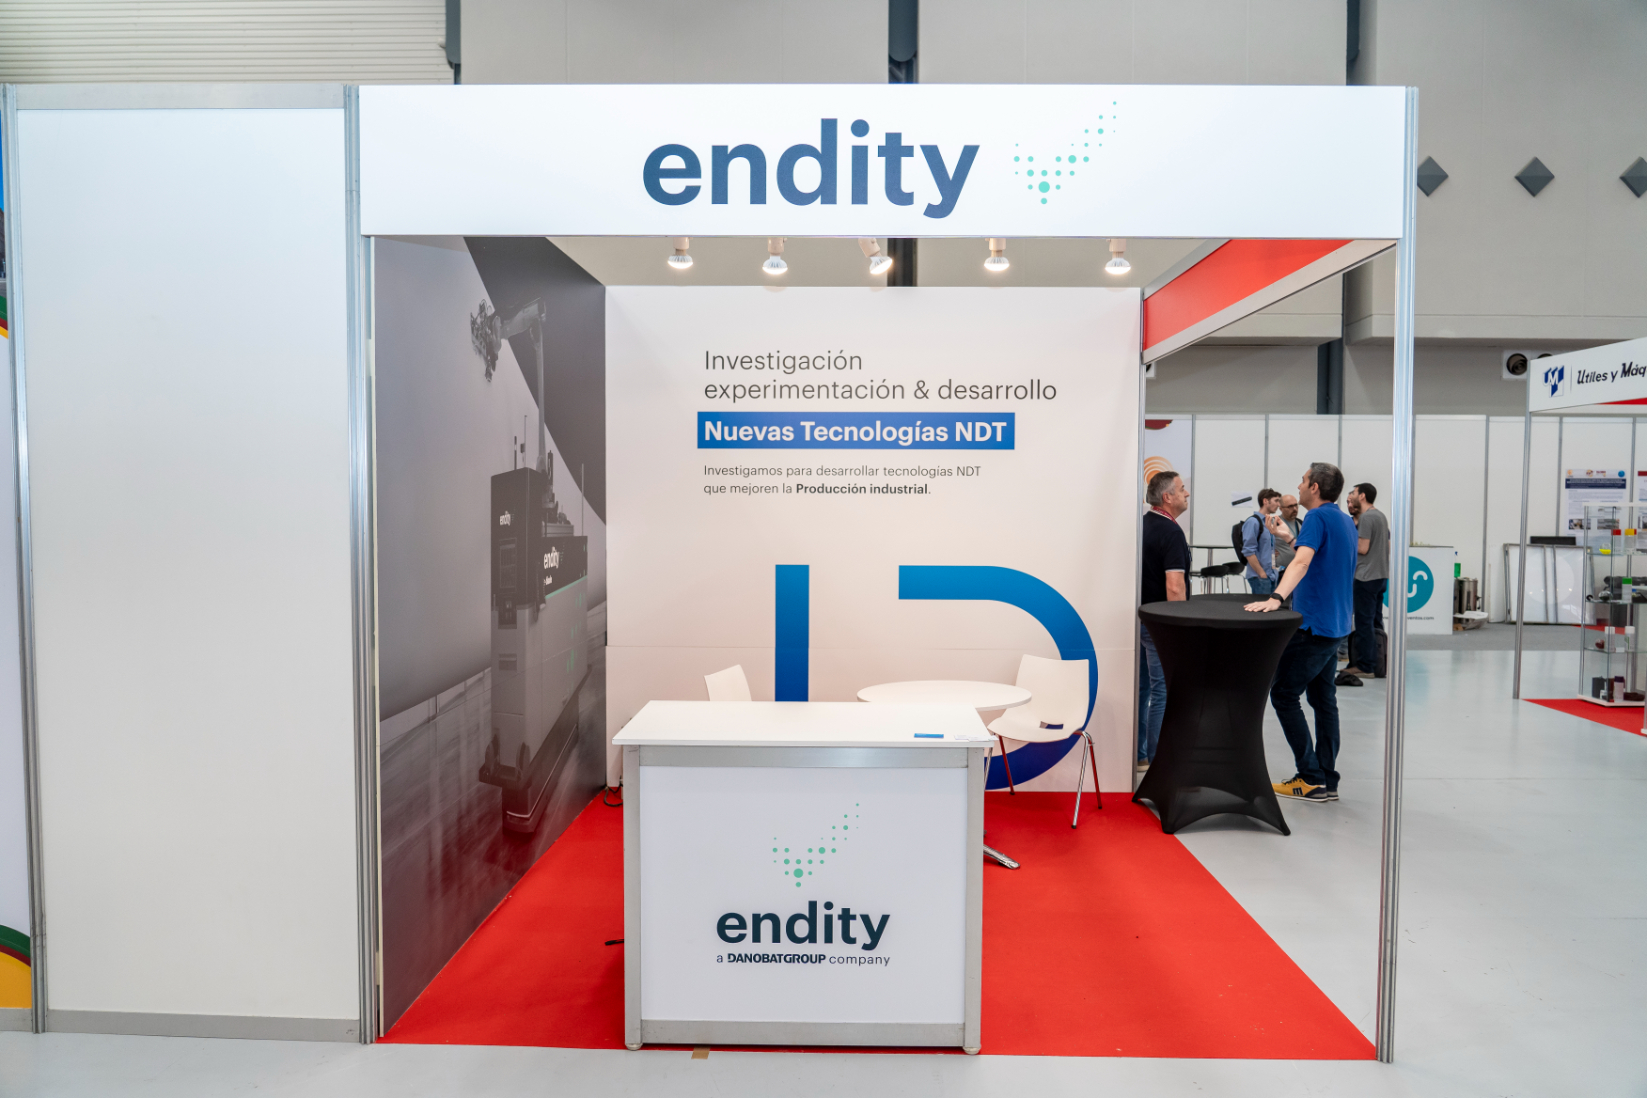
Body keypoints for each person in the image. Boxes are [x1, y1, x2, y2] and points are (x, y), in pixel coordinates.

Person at [1244, 462, 1357, 803]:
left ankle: (1310, 778)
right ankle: (1327, 779)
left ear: (1315, 488)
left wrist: (1276, 597)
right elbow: (1316, 556)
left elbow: (1303, 562)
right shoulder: (1342, 520)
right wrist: (1288, 538)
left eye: (1303, 481)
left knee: (1283, 694)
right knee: (1323, 701)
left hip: (1314, 626)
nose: (1299, 486)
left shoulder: (1317, 517)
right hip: (1336, 624)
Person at [1139, 470, 1191, 770]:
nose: (1187, 494)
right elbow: (1175, 586)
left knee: (1143, 688)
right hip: (1162, 625)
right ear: (1167, 497)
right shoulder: (1171, 532)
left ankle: (1140, 755)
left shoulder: (1143, 525)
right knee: (1164, 691)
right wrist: (1179, 629)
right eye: (1182, 489)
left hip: (1142, 618)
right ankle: (1160, 764)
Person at [1345, 482, 1389, 678]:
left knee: (1364, 623)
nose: (1352, 496)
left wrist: (1345, 542)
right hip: (1380, 576)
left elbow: (1362, 548)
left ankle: (1365, 666)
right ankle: (1378, 662)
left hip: (1365, 577)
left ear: (1362, 496)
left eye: (1354, 493)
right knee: (1376, 622)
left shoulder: (1366, 518)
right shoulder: (1380, 516)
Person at [1241, 488, 1283, 595]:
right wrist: (1262, 574)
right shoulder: (1253, 522)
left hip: (1272, 575)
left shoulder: (1269, 523)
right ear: (1265, 501)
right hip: (1260, 577)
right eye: (1276, 501)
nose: (1278, 504)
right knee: (1262, 605)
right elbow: (1248, 551)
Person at [1271, 494, 1301, 572]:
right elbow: (1259, 545)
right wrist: (1269, 553)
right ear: (1281, 509)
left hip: (1298, 570)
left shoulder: (1301, 523)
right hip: (1280, 571)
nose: (1294, 509)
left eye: (1296, 505)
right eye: (1290, 506)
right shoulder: (1274, 523)